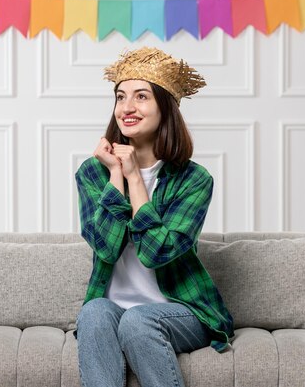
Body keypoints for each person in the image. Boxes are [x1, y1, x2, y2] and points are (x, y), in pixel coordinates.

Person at [75, 47, 234, 387]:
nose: (127, 108)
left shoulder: (193, 180)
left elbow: (155, 251)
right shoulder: (93, 173)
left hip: (180, 309)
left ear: (165, 107)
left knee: (138, 320)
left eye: (141, 97)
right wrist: (116, 175)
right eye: (120, 97)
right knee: (93, 312)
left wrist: (135, 179)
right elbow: (105, 248)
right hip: (114, 307)